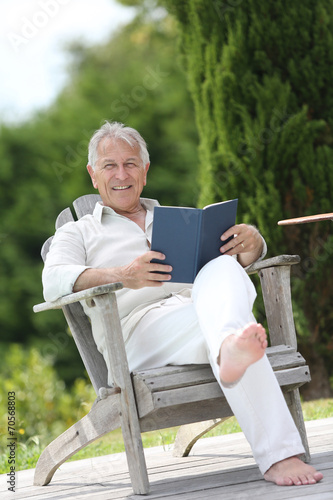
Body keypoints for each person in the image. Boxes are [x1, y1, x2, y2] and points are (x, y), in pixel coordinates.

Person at [42, 121, 323, 486]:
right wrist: (122, 274)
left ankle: (230, 351)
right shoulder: (78, 231)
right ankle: (278, 450)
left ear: (145, 171)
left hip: (197, 316)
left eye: (130, 164)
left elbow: (228, 272)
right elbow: (53, 280)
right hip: (135, 333)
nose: (121, 174)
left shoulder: (181, 220)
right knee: (235, 330)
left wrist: (253, 246)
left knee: (224, 273)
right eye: (109, 165)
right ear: (93, 175)